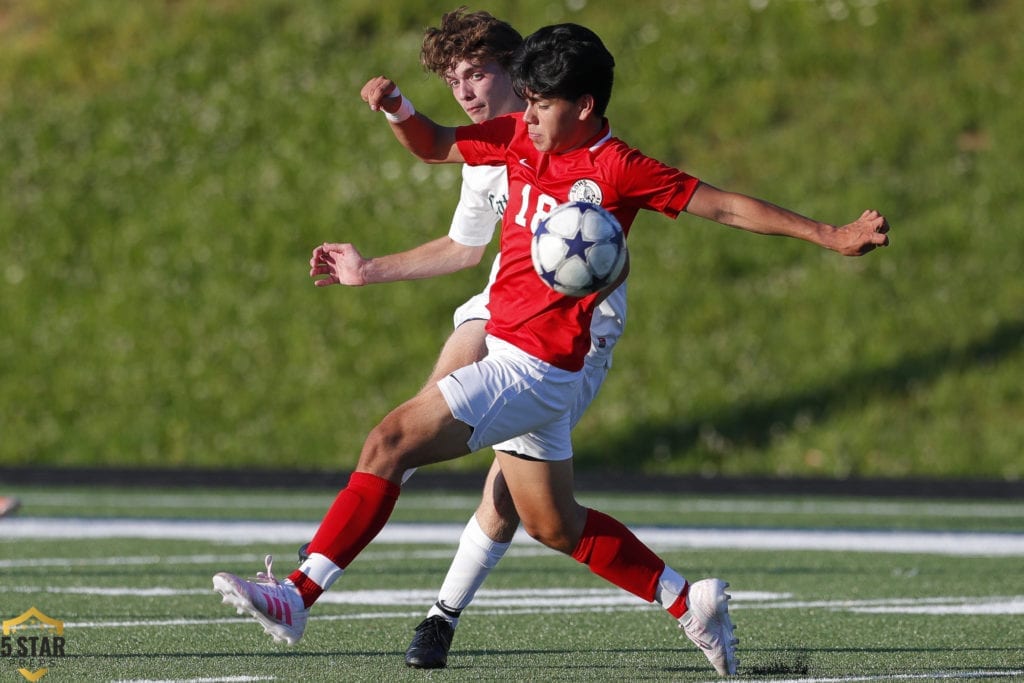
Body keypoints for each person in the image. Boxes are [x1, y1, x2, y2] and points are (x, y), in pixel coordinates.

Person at [214, 21, 890, 678]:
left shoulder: (619, 167)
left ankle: (299, 593)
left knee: (390, 439)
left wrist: (830, 234)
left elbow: (726, 208)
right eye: (528, 100)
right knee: (552, 522)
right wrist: (397, 108)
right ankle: (690, 599)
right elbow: (434, 145)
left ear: (585, 106)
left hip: (532, 366)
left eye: (541, 104)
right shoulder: (515, 136)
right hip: (535, 368)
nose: (526, 115)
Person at [296, 8, 629, 669]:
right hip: (499, 308)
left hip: (572, 335)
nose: (468, 91)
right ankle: (318, 575)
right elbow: (462, 247)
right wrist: (369, 269)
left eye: (478, 74)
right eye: (454, 81)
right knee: (411, 427)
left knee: (511, 497)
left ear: (518, 71)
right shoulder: (486, 152)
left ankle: (439, 614)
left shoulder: (565, 136)